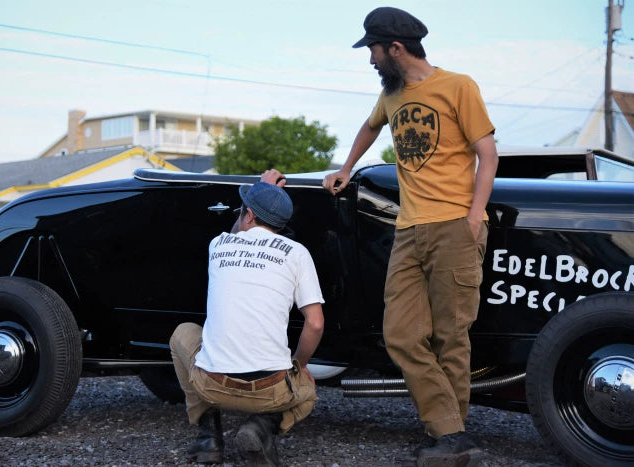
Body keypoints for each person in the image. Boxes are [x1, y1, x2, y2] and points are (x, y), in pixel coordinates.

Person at [323, 7, 498, 466]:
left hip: (454, 226)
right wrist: (345, 169)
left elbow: (487, 153)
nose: (371, 61)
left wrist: (475, 216)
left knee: (451, 338)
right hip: (409, 229)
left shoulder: (458, 85)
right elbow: (369, 126)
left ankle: (448, 439)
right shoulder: (392, 95)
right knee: (401, 335)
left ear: (395, 49)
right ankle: (453, 435)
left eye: (374, 52)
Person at [170, 169, 325, 466]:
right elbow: (315, 323)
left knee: (182, 333)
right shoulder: (298, 253)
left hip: (212, 386)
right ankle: (261, 428)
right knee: (307, 393)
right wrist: (299, 366)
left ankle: (208, 437)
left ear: (249, 215)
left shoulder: (219, 245)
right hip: (271, 391)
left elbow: (236, 232)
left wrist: (261, 189)